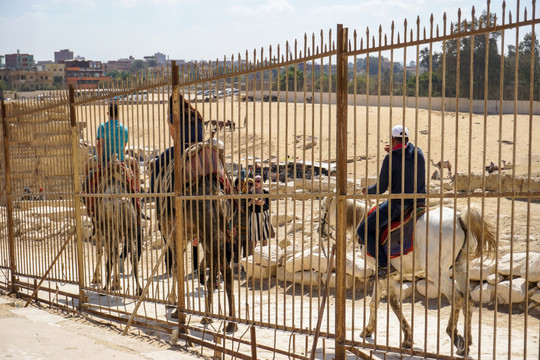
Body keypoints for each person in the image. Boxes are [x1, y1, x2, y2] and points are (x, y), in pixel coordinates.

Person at [356, 125, 426, 279]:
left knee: (363, 230)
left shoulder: (390, 158)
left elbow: (381, 188)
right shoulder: (418, 153)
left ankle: (383, 265)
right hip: (419, 203)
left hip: (398, 205)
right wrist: (396, 151)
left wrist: (368, 190)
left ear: (393, 140)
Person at [151, 93, 204, 275]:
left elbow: (175, 138)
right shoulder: (197, 114)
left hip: (182, 149)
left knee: (158, 164)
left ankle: (157, 201)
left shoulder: (175, 118)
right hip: (199, 149)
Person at [247, 175, 270, 255]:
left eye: (258, 181)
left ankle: (265, 257)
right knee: (253, 239)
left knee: (264, 238)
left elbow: (268, 206)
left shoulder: (266, 192)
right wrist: (251, 203)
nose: (256, 183)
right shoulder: (250, 192)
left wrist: (261, 204)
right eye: (255, 181)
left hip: (263, 216)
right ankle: (251, 258)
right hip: (254, 217)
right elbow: (248, 207)